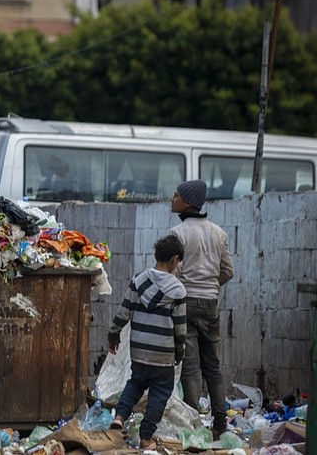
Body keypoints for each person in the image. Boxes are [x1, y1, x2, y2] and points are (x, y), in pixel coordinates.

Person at [107, 234, 187, 450]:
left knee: (136, 383)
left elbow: (123, 312)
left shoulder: (138, 280)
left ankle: (120, 417)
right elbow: (180, 327)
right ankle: (145, 437)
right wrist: (180, 351)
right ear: (174, 259)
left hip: (139, 350)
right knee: (160, 392)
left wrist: (113, 334)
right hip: (162, 353)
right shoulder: (178, 290)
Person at [169, 179, 234, 438]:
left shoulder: (178, 234)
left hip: (186, 304)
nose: (172, 199)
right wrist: (211, 287)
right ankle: (220, 423)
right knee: (213, 366)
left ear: (188, 203)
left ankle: (194, 425)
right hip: (210, 305)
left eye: (176, 195)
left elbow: (174, 272)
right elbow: (227, 271)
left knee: (190, 367)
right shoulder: (218, 233)